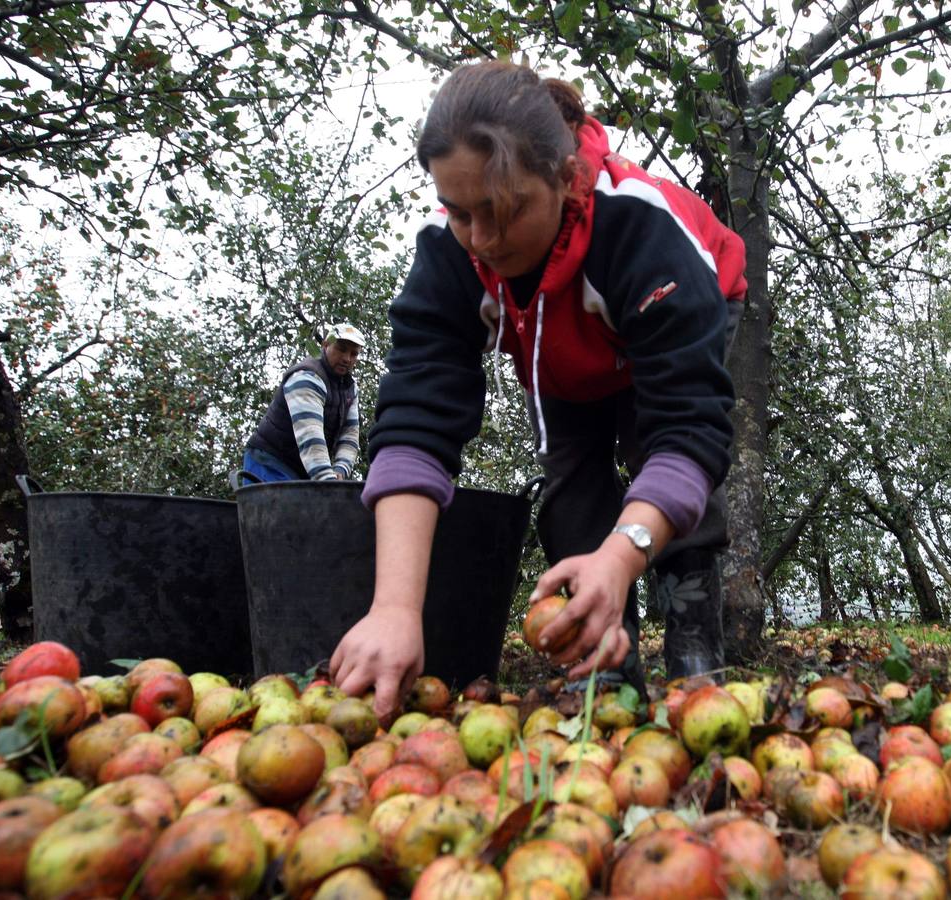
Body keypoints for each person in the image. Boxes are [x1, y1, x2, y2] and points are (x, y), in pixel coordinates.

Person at [329, 61, 747, 720]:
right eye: (461, 212)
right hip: (555, 347)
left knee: (653, 449)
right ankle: (609, 673)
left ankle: (697, 655)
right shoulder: (450, 255)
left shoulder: (641, 229)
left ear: (562, 176)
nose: (484, 240)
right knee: (570, 482)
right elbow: (417, 421)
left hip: (689, 304)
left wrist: (626, 551)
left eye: (505, 210)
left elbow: (688, 430)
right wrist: (394, 609)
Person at [243, 323, 364, 482]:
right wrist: (328, 482)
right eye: (341, 349)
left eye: (353, 354)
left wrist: (341, 469)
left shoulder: (349, 389)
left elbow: (350, 435)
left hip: (301, 469)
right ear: (326, 345)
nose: (347, 358)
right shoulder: (307, 378)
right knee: (273, 507)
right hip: (270, 462)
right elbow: (310, 436)